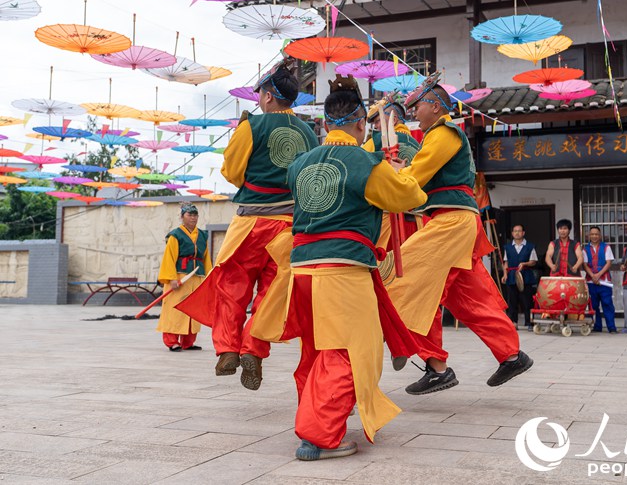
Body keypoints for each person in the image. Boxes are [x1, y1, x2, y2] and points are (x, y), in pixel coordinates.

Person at [282, 74, 427, 460]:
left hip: (302, 271)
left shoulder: (298, 165)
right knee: (350, 351)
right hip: (342, 269)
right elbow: (408, 197)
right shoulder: (366, 162)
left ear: (325, 124)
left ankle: (319, 418)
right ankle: (320, 435)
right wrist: (397, 169)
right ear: (362, 123)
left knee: (317, 350)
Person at [386, 72, 533, 396]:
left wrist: (392, 174)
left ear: (435, 107)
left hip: (450, 223)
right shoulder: (439, 135)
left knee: (406, 277)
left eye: (418, 106)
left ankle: (433, 363)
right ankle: (510, 354)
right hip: (457, 222)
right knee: (468, 298)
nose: (413, 113)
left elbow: (417, 175)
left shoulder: (443, 133)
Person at [176, 58, 318, 390]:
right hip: (289, 227)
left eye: (260, 94)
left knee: (232, 287)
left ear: (268, 96)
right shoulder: (310, 133)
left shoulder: (251, 126)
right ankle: (254, 348)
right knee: (271, 295)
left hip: (251, 222)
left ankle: (227, 348)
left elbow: (232, 172)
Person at [363, 95, 423, 251]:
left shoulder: (375, 142)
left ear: (393, 119)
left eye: (378, 121)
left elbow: (359, 169)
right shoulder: (418, 144)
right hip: (416, 222)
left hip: (386, 222)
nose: (376, 127)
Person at [156, 203, 211, 351]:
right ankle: (172, 341)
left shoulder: (203, 235)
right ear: (182, 217)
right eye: (189, 215)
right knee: (174, 309)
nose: (193, 218)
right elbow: (169, 257)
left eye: (195, 215)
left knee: (193, 309)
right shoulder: (176, 235)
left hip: (196, 277)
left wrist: (209, 278)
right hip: (179, 277)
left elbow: (206, 258)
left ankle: (188, 342)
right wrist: (171, 278)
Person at [501, 224, 537, 330]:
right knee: (512, 300)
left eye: (519, 231)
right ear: (512, 233)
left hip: (526, 276)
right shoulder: (507, 247)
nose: (517, 233)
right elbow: (506, 262)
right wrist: (505, 274)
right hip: (512, 276)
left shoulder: (530, 246)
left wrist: (525, 264)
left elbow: (533, 261)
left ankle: (529, 322)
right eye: (515, 231)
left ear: (523, 233)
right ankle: (513, 322)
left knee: (527, 300)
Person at [583, 226, 617, 333]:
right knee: (594, 305)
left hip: (604, 281)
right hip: (590, 281)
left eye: (596, 234)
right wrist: (593, 276)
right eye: (592, 234)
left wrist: (598, 275)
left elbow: (609, 263)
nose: (594, 236)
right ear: (589, 235)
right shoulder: (585, 249)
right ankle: (597, 326)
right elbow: (584, 264)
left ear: (600, 235)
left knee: (607, 304)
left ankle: (611, 327)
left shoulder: (606, 247)